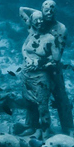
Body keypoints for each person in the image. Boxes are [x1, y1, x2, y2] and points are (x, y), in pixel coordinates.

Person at [19, 0, 74, 133]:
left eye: (52, 9)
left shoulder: (60, 29)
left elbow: (57, 55)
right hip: (33, 71)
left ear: (56, 11)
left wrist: (38, 63)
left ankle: (68, 128)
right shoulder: (36, 23)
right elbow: (21, 10)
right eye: (46, 10)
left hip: (52, 69)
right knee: (32, 98)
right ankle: (32, 125)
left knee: (60, 96)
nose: (49, 12)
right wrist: (39, 13)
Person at [19, 10, 59, 139]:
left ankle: (45, 131)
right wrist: (27, 59)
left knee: (42, 106)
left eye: (41, 19)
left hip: (41, 77)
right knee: (29, 104)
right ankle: (33, 128)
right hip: (26, 75)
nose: (39, 21)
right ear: (31, 21)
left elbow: (56, 58)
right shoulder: (30, 33)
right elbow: (24, 48)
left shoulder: (50, 38)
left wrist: (39, 62)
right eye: (36, 19)